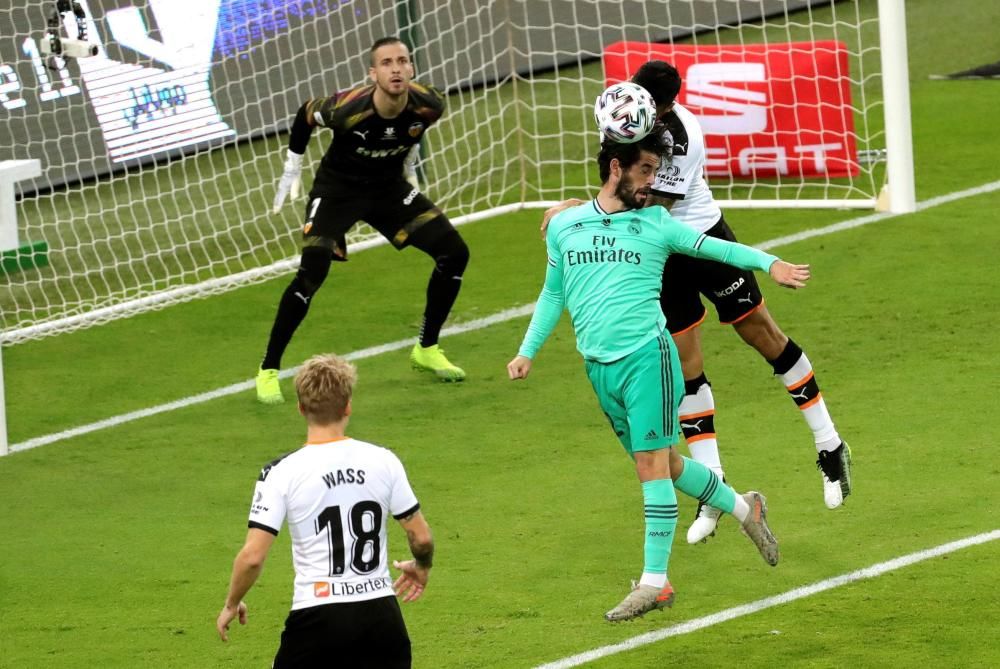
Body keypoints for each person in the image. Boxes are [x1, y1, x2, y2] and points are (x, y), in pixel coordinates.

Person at [544, 61, 852, 544]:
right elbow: (616, 194)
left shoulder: (682, 134)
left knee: (764, 337)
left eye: (656, 109)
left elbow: (648, 209)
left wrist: (575, 212)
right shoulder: (623, 126)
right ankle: (714, 488)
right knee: (687, 365)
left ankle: (829, 443)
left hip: (702, 237)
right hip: (660, 257)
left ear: (666, 106)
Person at [509, 133, 809, 621]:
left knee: (649, 467)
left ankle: (655, 582)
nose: (654, 182)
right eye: (645, 171)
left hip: (649, 358)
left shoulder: (657, 224)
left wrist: (769, 263)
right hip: (598, 367)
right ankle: (745, 508)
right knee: (666, 464)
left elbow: (720, 251)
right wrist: (527, 351)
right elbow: (552, 293)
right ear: (615, 168)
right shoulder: (566, 224)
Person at [256, 36, 470, 404]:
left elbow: (413, 133)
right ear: (373, 73)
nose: (396, 68)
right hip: (337, 191)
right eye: (386, 63)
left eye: (402, 61)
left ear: (412, 68)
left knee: (454, 252)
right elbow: (307, 112)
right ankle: (268, 369)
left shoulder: (430, 104)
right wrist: (293, 165)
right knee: (313, 270)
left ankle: (426, 348)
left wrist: (408, 163)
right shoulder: (348, 108)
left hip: (387, 190)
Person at [218, 353, 434, 668]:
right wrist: (421, 565)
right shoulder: (384, 460)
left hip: (318, 619)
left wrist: (231, 603)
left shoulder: (281, 472)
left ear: (301, 408)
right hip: (382, 618)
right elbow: (421, 538)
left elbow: (252, 557)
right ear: (347, 406)